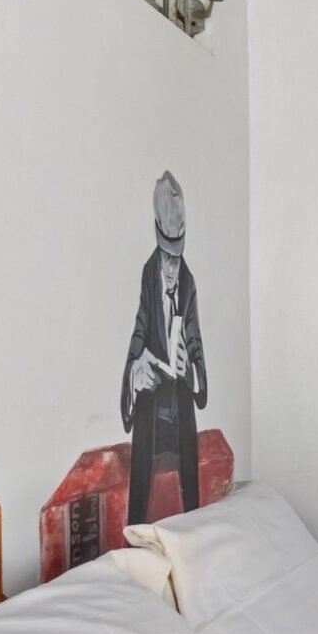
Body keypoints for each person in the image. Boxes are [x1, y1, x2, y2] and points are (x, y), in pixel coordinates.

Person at [121, 171, 206, 522]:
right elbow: (138, 332)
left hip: (178, 410)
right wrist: (135, 372)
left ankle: (196, 525)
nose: (171, 269)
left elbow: (198, 347)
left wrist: (191, 374)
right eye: (167, 258)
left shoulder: (188, 282)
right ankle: (135, 530)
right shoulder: (148, 274)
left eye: (176, 258)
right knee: (142, 416)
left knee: (188, 418)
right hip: (152, 410)